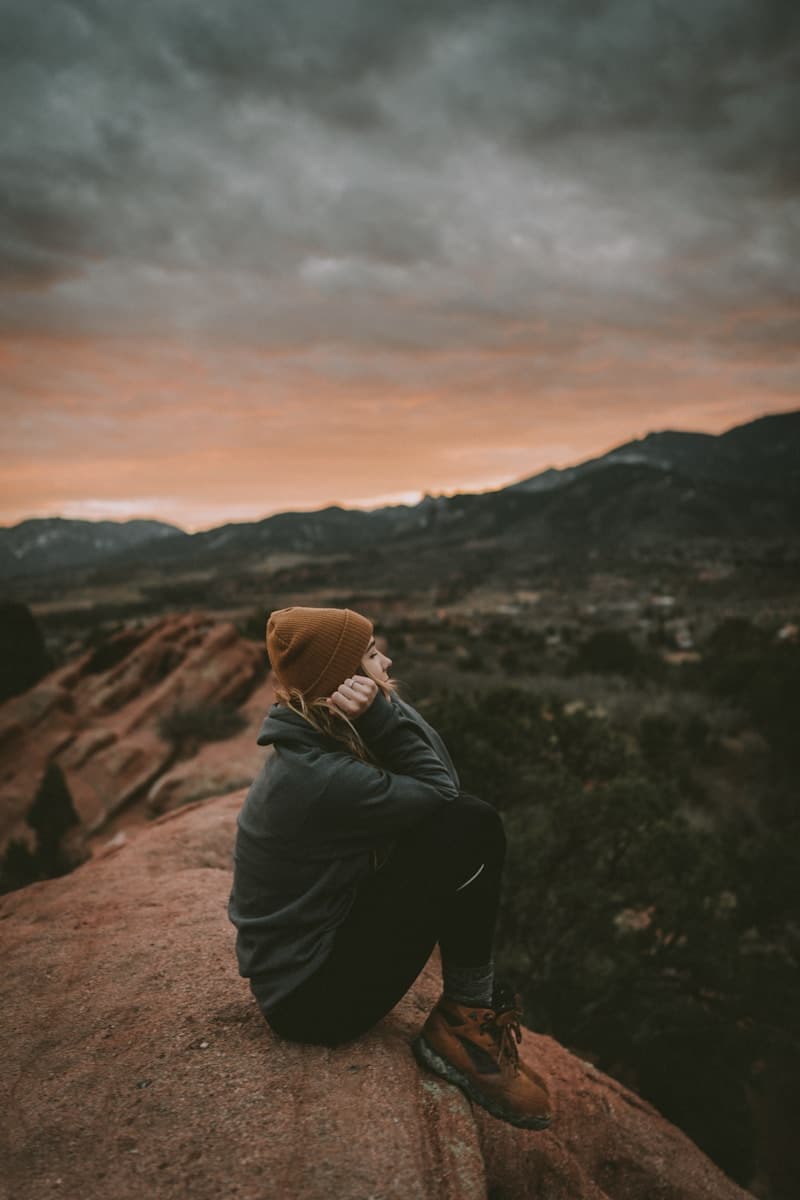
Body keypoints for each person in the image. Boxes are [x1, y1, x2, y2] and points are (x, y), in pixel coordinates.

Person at [228, 605, 552, 1130]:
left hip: (304, 973)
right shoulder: (321, 778)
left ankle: (467, 1016)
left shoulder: (312, 743)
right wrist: (382, 713)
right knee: (472, 824)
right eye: (374, 655)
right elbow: (448, 796)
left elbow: (440, 781)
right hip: (314, 999)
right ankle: (464, 1025)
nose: (388, 660)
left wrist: (381, 710)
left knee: (457, 823)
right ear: (345, 684)